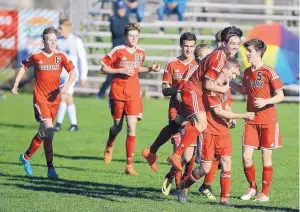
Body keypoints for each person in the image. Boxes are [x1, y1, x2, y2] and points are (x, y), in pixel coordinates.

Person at [140, 26, 243, 173]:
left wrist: (237, 87)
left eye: (238, 44)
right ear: (224, 43)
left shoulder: (223, 56)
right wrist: (224, 89)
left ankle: (151, 151)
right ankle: (176, 155)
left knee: (176, 124)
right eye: (233, 43)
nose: (236, 47)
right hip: (194, 91)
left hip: (193, 90)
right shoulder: (219, 58)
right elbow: (208, 84)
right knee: (201, 124)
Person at [176, 58, 255, 206]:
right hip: (209, 132)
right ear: (224, 69)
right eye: (233, 73)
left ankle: (224, 199)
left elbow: (225, 107)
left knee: (226, 162)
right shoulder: (212, 88)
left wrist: (232, 118)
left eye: (236, 74)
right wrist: (242, 115)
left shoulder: (225, 87)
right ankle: (184, 186)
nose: (233, 77)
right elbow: (218, 111)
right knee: (204, 169)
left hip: (223, 132)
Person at [12, 27, 76, 178]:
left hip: (55, 100)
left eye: (55, 40)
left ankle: (26, 156)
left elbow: (73, 73)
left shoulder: (61, 56)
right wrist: (16, 84)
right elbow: (23, 66)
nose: (53, 43)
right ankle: (50, 169)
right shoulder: (36, 55)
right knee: (50, 131)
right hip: (40, 99)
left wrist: (66, 86)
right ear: (44, 41)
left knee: (45, 133)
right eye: (49, 40)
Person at [142, 32, 198, 194]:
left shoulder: (197, 64)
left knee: (188, 157)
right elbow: (165, 90)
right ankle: (180, 190)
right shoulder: (172, 63)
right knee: (177, 152)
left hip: (193, 111)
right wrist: (177, 92)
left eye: (191, 46)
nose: (188, 49)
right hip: (176, 109)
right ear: (181, 46)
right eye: (186, 46)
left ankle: (170, 176)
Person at [101, 22, 160, 176]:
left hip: (133, 95)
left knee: (131, 128)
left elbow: (136, 68)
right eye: (131, 35)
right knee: (117, 127)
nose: (134, 38)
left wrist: (150, 69)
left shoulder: (141, 52)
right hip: (118, 93)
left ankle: (129, 166)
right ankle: (110, 143)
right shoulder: (118, 50)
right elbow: (103, 68)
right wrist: (120, 69)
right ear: (126, 36)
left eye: (136, 36)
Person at [230, 38, 284, 202]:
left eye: (250, 51)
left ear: (259, 52)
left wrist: (266, 101)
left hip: (268, 120)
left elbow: (281, 95)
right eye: (246, 50)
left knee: (265, 158)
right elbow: (244, 90)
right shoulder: (247, 72)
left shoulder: (269, 71)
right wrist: (229, 81)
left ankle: (265, 193)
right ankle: (252, 187)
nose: (246, 53)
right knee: (246, 156)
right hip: (251, 119)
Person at [54, 18, 88, 132]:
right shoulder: (57, 41)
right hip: (60, 75)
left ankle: (58, 124)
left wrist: (83, 75)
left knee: (63, 95)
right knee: (68, 98)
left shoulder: (76, 41)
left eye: (61, 28)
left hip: (71, 75)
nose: (59, 30)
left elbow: (83, 59)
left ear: (67, 29)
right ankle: (74, 124)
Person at [97, 0, 130, 99]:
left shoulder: (126, 18)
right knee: (111, 74)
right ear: (117, 9)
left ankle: (123, 94)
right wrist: (126, 32)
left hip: (125, 49)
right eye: (120, 8)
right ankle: (101, 93)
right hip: (116, 50)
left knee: (127, 73)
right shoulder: (113, 18)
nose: (122, 10)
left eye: (123, 8)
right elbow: (117, 32)